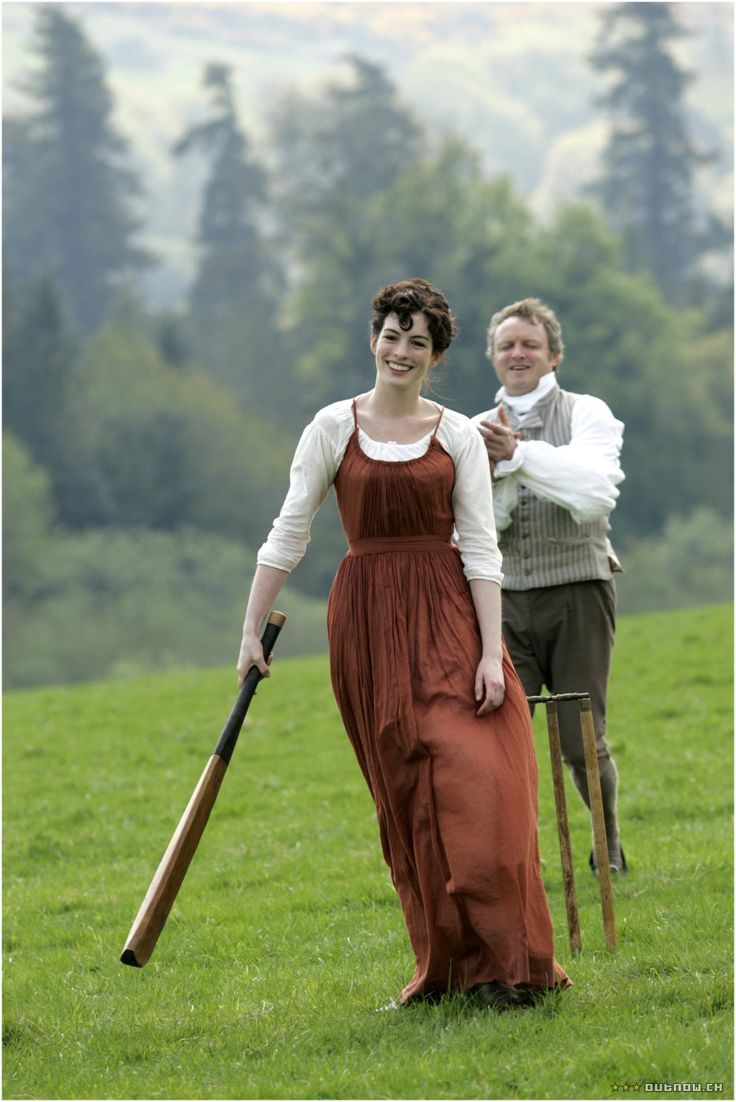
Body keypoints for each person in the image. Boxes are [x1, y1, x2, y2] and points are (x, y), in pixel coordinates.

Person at [238, 278, 570, 1010]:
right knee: (409, 800)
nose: (400, 350)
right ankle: (448, 971)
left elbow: (482, 550)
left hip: (449, 617)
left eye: (417, 341)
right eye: (391, 335)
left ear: (436, 356)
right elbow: (289, 532)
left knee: (478, 781)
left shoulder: (455, 435)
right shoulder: (331, 426)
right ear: (373, 340)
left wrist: (491, 653)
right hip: (366, 626)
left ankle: (512, 968)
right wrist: (249, 629)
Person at [473, 297, 627, 875]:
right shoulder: (470, 431)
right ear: (492, 358)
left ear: (553, 354)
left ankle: (606, 849)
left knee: (579, 736)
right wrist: (493, 468)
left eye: (529, 344)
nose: (518, 354)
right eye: (507, 345)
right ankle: (507, 861)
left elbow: (592, 492)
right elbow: (474, 523)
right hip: (502, 599)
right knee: (498, 735)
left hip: (579, 590)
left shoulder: (587, 413)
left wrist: (516, 456)